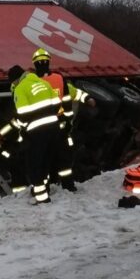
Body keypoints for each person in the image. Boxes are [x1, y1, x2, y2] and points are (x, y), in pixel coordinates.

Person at [31, 48, 96, 192]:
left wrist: (86, 98)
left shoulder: (34, 82)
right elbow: (68, 97)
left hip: (46, 128)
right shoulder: (57, 78)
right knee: (61, 158)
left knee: (47, 158)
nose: (43, 64)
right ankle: (64, 185)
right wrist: (67, 120)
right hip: (57, 126)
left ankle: (47, 187)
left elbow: (70, 94)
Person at [9, 62, 61, 204]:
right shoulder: (43, 83)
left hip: (37, 131)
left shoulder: (20, 88)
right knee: (45, 161)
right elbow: (57, 104)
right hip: (54, 127)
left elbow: (23, 114)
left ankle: (41, 197)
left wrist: (20, 127)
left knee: (34, 164)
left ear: (15, 79)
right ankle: (45, 188)